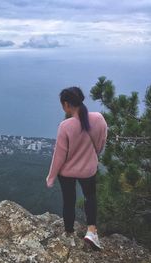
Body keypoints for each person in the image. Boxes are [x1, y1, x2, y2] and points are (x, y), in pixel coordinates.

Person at [46, 86, 107, 250]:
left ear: (66, 104)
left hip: (67, 173)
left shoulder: (65, 126)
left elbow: (59, 156)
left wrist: (51, 177)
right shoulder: (99, 119)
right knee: (90, 197)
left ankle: (69, 234)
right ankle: (92, 231)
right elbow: (100, 144)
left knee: (69, 201)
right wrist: (91, 157)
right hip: (88, 170)